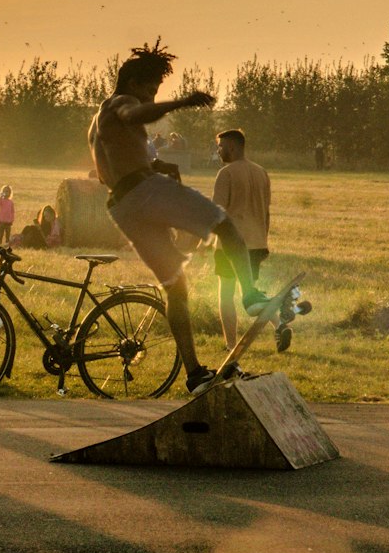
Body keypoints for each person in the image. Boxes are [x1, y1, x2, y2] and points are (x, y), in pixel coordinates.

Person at [91, 41, 266, 393]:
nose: (153, 97)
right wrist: (183, 102)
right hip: (144, 191)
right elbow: (134, 115)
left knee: (176, 286)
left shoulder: (98, 122)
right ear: (134, 83)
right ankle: (251, 296)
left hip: (122, 206)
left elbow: (113, 167)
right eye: (152, 89)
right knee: (224, 224)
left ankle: (194, 374)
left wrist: (156, 164)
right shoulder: (122, 103)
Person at [211, 129, 272, 348]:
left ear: (232, 147)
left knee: (226, 295)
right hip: (257, 243)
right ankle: (278, 323)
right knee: (250, 294)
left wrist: (203, 240)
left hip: (231, 244)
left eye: (220, 146)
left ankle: (230, 345)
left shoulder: (226, 173)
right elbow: (266, 212)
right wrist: (263, 240)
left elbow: (216, 212)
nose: (218, 151)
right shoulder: (261, 172)